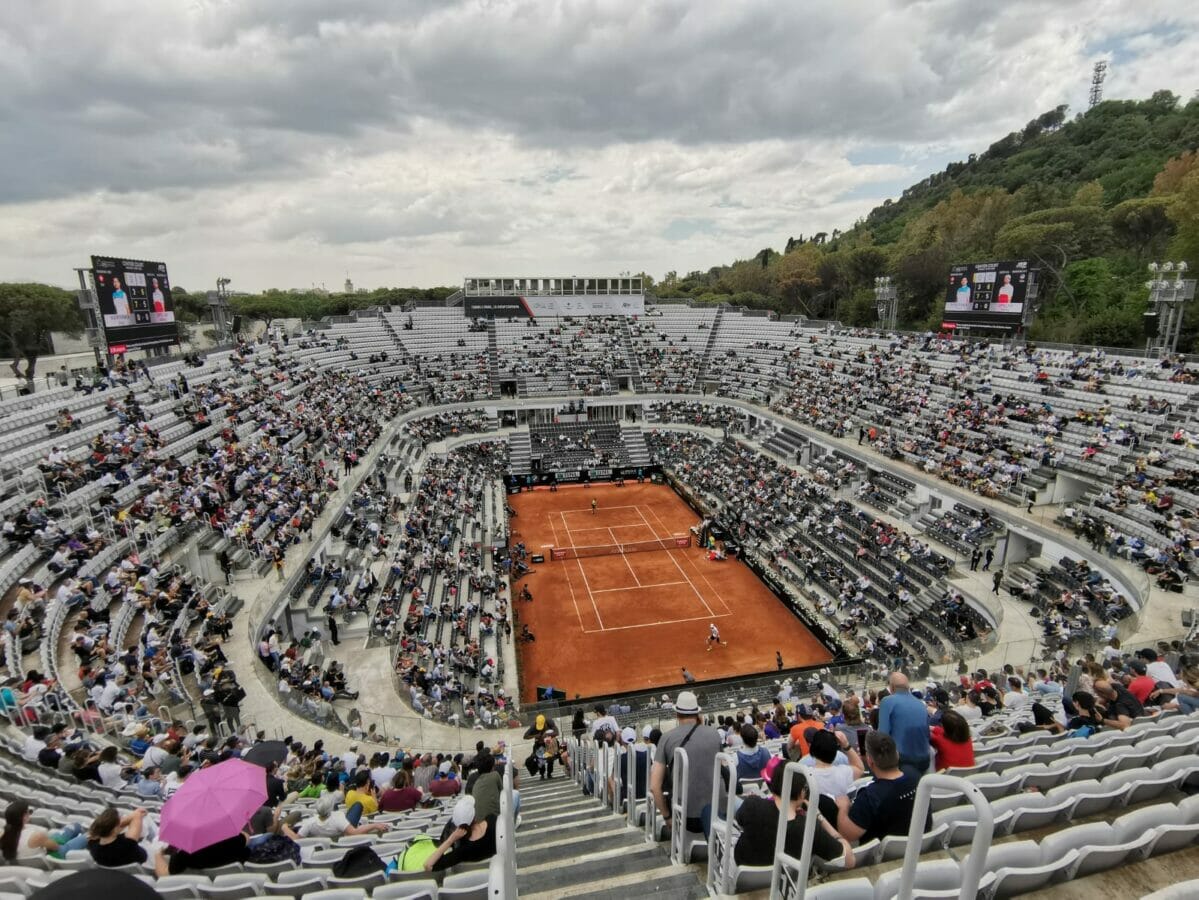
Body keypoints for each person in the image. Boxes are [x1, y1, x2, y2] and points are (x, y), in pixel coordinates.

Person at [734, 757, 853, 869]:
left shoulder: (752, 805)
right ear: (802, 793)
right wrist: (820, 817)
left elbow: (739, 822)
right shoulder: (809, 828)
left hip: (745, 883)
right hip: (788, 886)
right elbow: (849, 860)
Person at [650, 690, 721, 837]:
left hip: (686, 818)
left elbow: (654, 786)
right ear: (697, 713)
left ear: (677, 714)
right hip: (718, 813)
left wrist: (667, 817)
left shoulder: (666, 739)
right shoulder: (714, 734)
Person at [834, 733, 929, 843]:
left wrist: (843, 808)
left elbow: (847, 835)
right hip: (919, 847)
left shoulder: (869, 797)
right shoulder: (917, 779)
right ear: (897, 754)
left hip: (883, 858)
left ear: (870, 761)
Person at [877, 673, 930, 780]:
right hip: (925, 761)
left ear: (891, 687)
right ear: (908, 686)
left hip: (902, 763)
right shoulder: (921, 704)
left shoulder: (887, 701)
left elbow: (882, 736)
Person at [424, 795, 497, 872]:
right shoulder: (493, 820)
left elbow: (428, 865)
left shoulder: (462, 850)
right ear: (474, 814)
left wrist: (451, 839)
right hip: (498, 875)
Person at [1, 800, 89, 860]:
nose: (30, 814)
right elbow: (56, 846)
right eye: (29, 812)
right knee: (88, 834)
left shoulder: (4, 835)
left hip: (41, 850)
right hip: (55, 853)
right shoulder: (36, 836)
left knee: (73, 827)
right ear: (24, 817)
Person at [297, 792, 388, 838]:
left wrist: (284, 827)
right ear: (330, 808)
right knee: (357, 805)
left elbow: (297, 838)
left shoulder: (310, 822)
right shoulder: (337, 817)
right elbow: (354, 833)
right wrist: (374, 825)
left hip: (328, 844)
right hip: (343, 834)